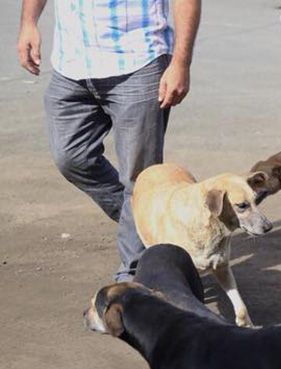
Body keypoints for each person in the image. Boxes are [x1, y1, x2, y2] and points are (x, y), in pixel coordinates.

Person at [16, 0, 202, 282]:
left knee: (138, 179)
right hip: (72, 65)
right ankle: (150, 223)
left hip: (138, 61)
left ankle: (134, 280)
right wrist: (28, 22)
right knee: (71, 158)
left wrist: (181, 62)